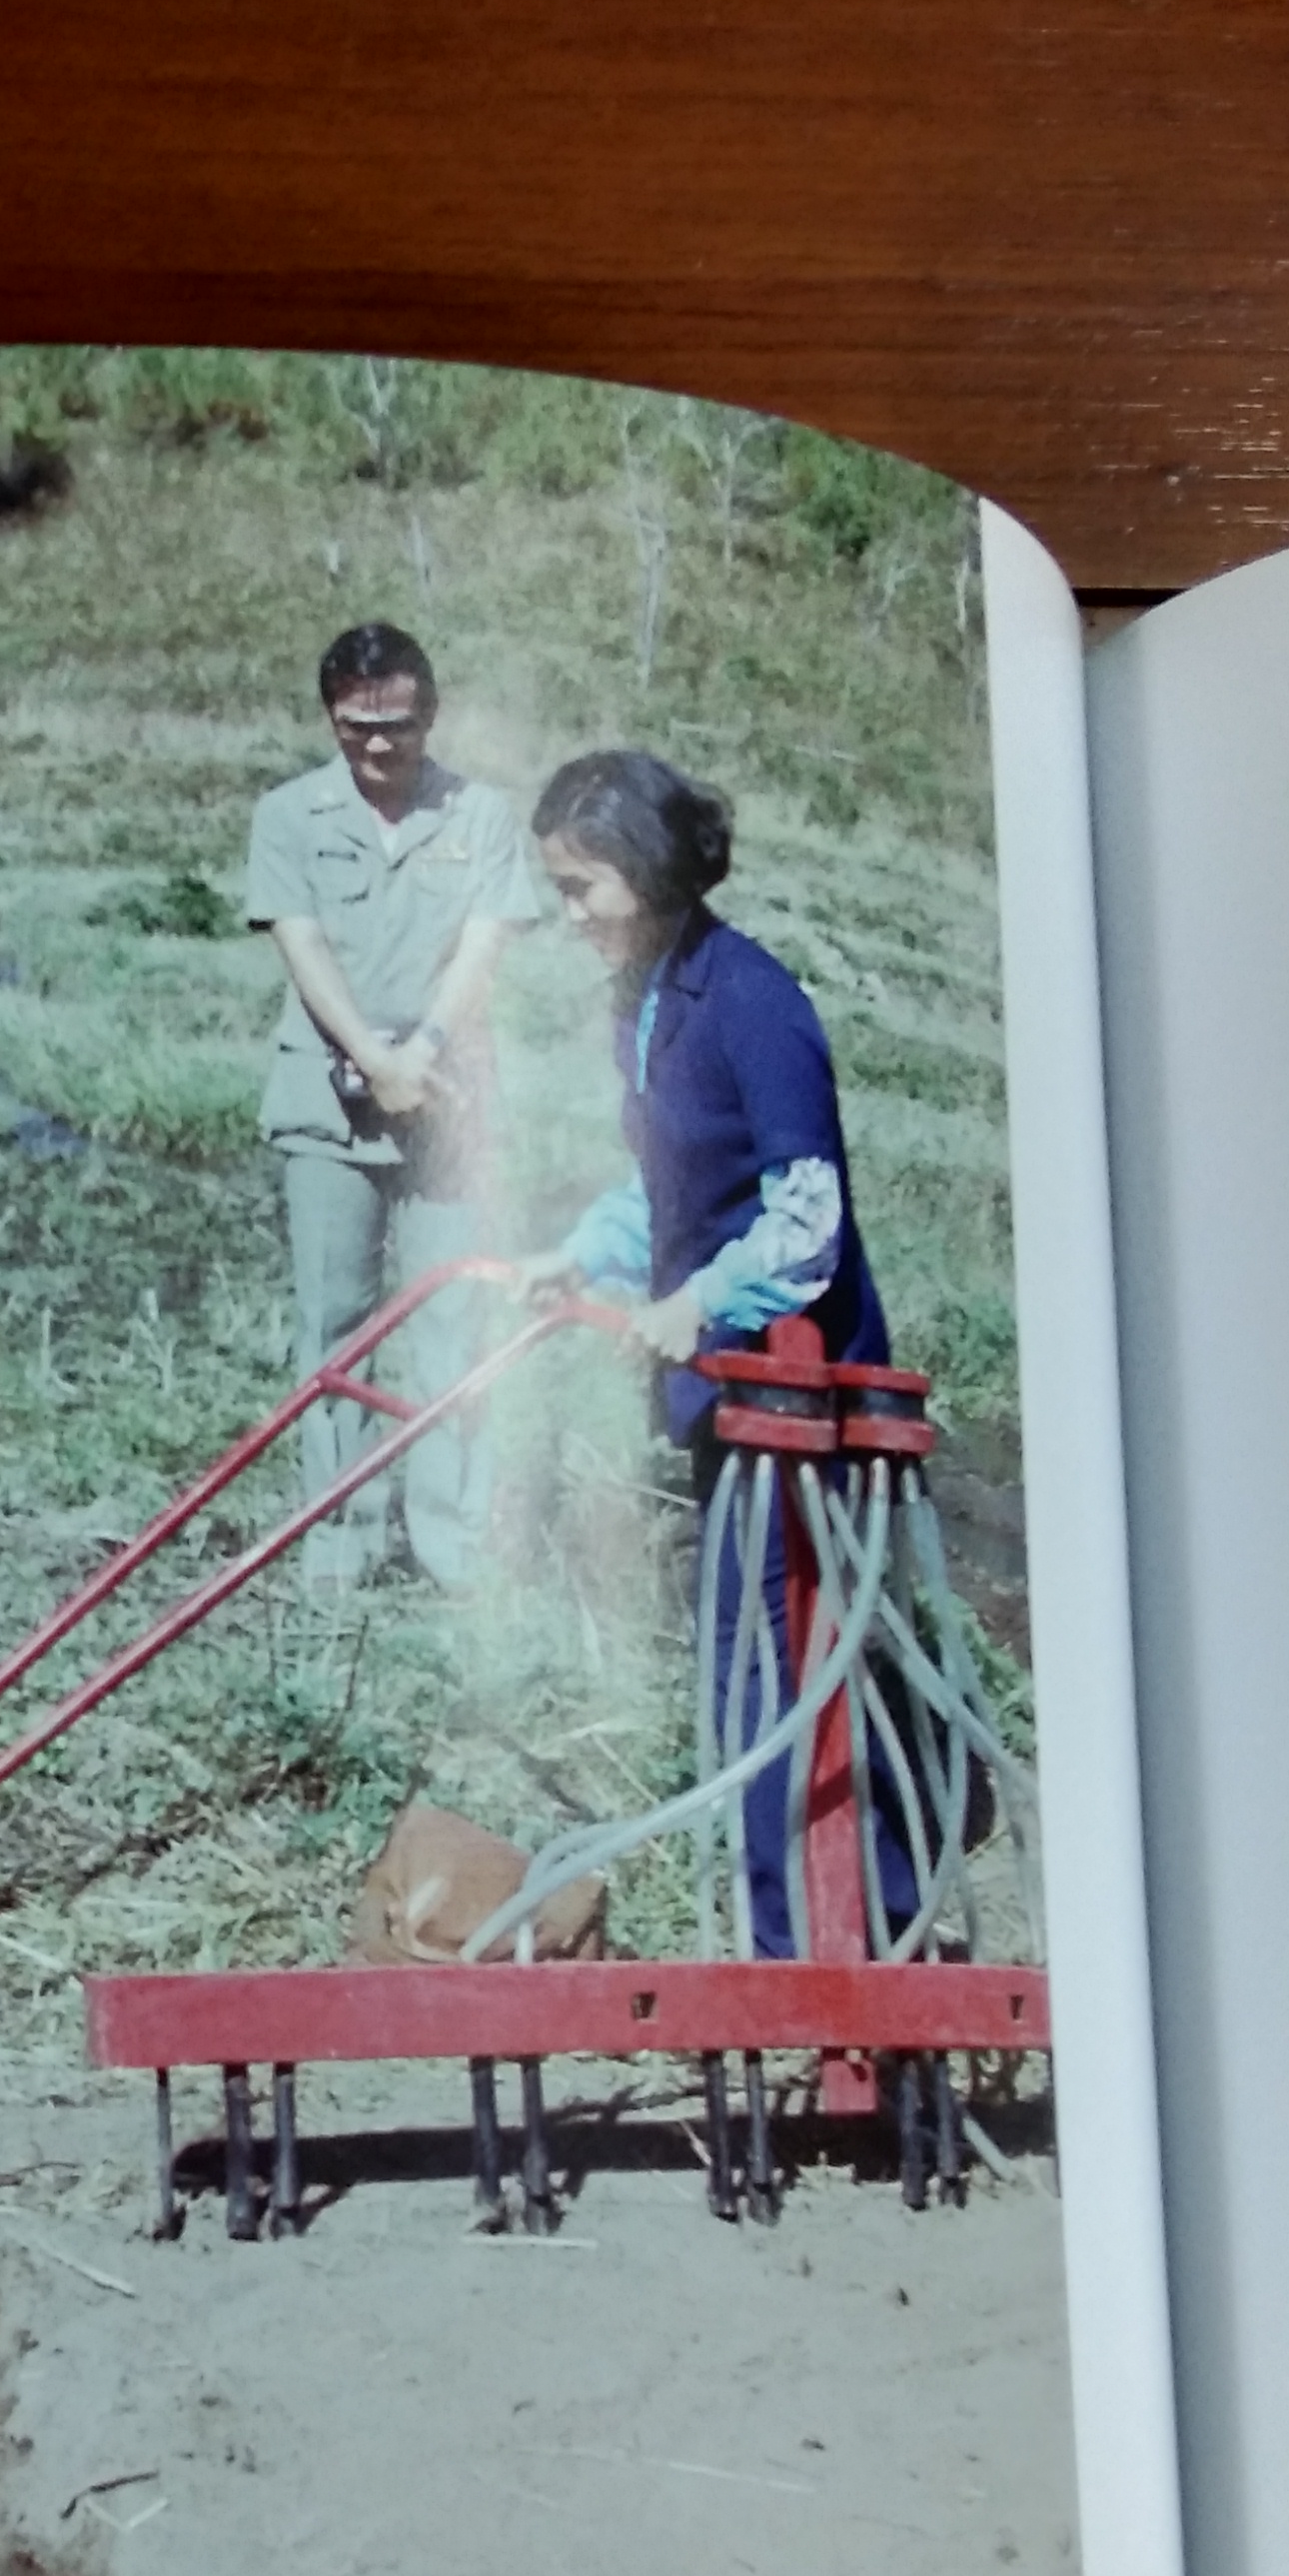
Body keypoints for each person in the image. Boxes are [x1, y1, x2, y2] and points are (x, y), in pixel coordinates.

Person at [517, 745, 912, 1952]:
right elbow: (667, 1180)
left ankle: (847, 1933)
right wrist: (585, 1249)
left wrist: (701, 1301)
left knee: (799, 1657)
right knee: (743, 1652)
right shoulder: (643, 1002)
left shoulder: (750, 999)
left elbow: (805, 1216)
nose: (569, 914)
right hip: (726, 1392)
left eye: (582, 888)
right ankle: (780, 1924)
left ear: (646, 869)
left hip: (802, 1390)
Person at [245, 623, 534, 1587]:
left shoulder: (482, 814)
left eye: (398, 724)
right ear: (331, 717)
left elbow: (484, 947)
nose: (379, 744)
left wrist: (423, 1056)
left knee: (455, 1323)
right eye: (356, 725)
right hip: (329, 1104)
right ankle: (341, 1544)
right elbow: (302, 944)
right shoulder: (288, 815)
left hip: (447, 1103)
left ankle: (455, 1551)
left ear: (432, 714)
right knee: (335, 1327)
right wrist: (372, 1056)